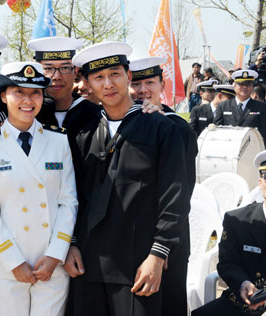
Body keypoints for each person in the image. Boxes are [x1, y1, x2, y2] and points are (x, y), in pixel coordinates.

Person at [67, 42, 188, 316]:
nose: (108, 84)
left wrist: (158, 255)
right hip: (87, 263)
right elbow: (74, 197)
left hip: (137, 266)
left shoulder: (161, 129)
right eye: (98, 77)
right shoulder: (82, 135)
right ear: (87, 83)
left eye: (115, 74)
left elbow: (175, 197)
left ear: (129, 76)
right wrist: (72, 244)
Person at [0, 61, 78, 316]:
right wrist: (14, 262)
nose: (28, 100)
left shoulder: (58, 140)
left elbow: (68, 202)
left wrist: (56, 254)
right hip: (8, 265)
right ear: (4, 95)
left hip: (51, 262)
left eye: (35, 93)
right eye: (19, 92)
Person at [128, 56, 197, 316]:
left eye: (150, 82)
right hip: (134, 235)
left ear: (162, 85)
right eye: (135, 83)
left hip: (169, 237)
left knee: (168, 304)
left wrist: (164, 246)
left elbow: (182, 191)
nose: (142, 90)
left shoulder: (176, 127)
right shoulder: (124, 122)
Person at [192, 148, 266, 316]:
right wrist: (243, 284)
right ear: (260, 181)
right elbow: (227, 263)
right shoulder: (237, 220)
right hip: (242, 300)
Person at [27, 36, 101, 139]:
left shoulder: (95, 115)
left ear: (75, 72)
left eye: (65, 68)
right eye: (48, 68)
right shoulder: (27, 113)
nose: (57, 77)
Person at [214, 69, 266, 148]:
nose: (244, 87)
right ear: (234, 86)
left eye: (248, 84)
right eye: (241, 84)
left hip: (251, 150)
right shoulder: (223, 106)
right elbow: (217, 131)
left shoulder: (261, 108)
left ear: (252, 87)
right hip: (228, 149)